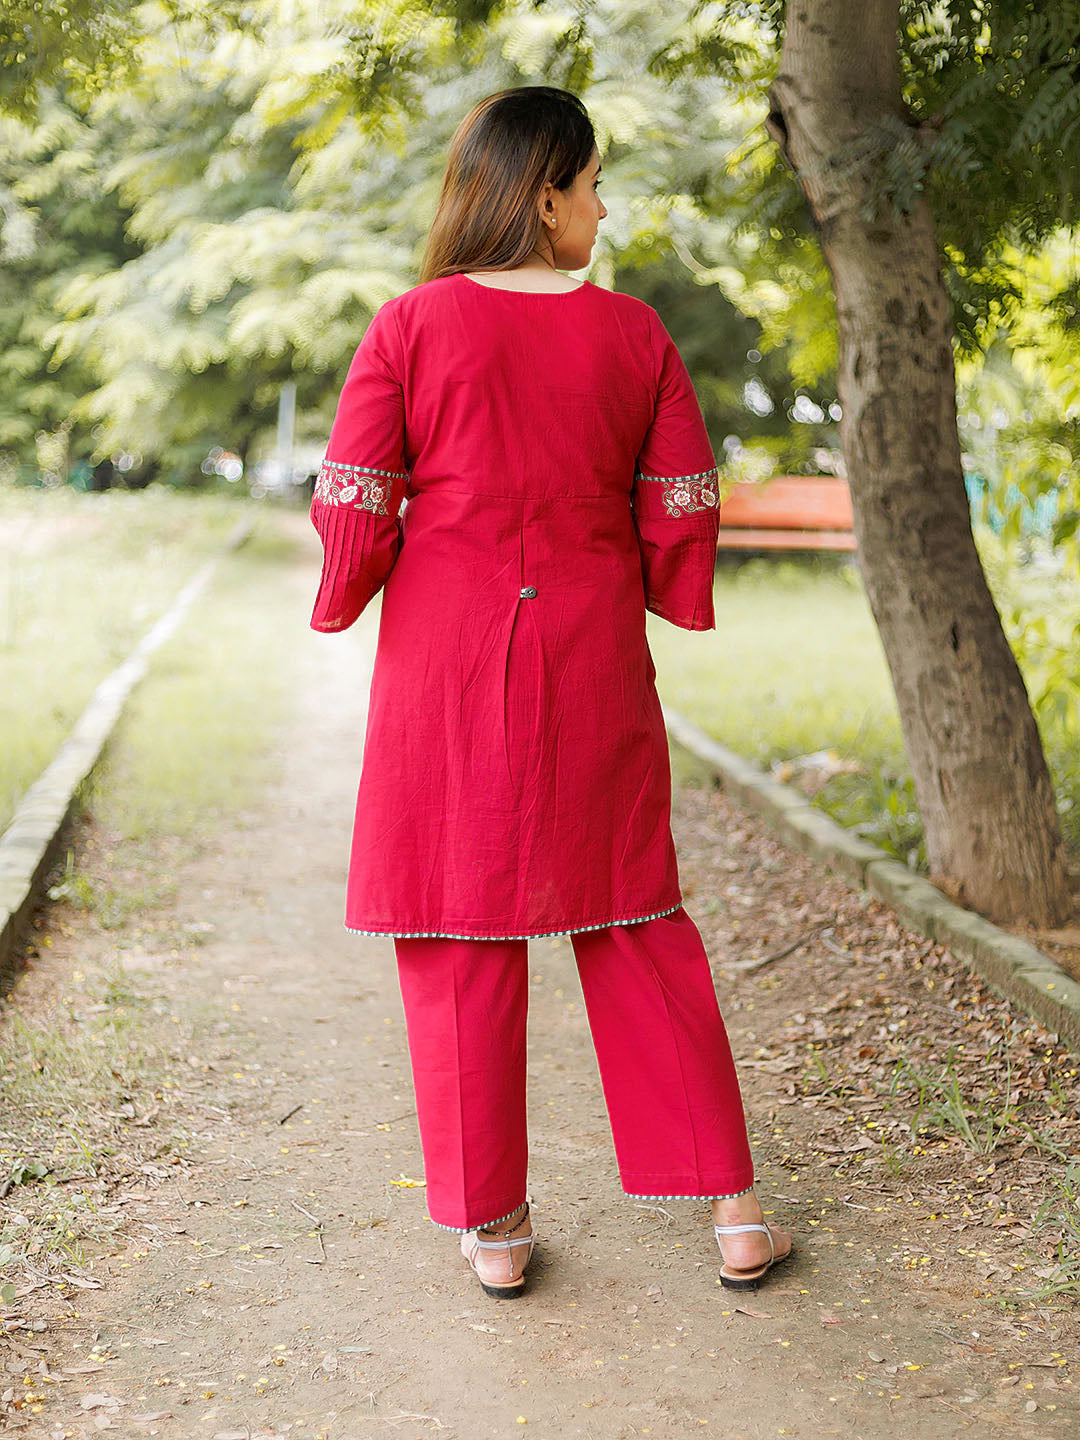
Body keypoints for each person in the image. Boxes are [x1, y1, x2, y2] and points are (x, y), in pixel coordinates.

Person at [307, 85, 793, 1298]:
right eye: (588, 184)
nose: (601, 204)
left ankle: (498, 1230)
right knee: (633, 908)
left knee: (458, 925)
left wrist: (345, 591)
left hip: (446, 658)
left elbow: (356, 494)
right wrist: (673, 592)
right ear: (542, 196)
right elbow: (681, 497)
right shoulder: (634, 335)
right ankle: (735, 1214)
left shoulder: (409, 325)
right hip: (589, 651)